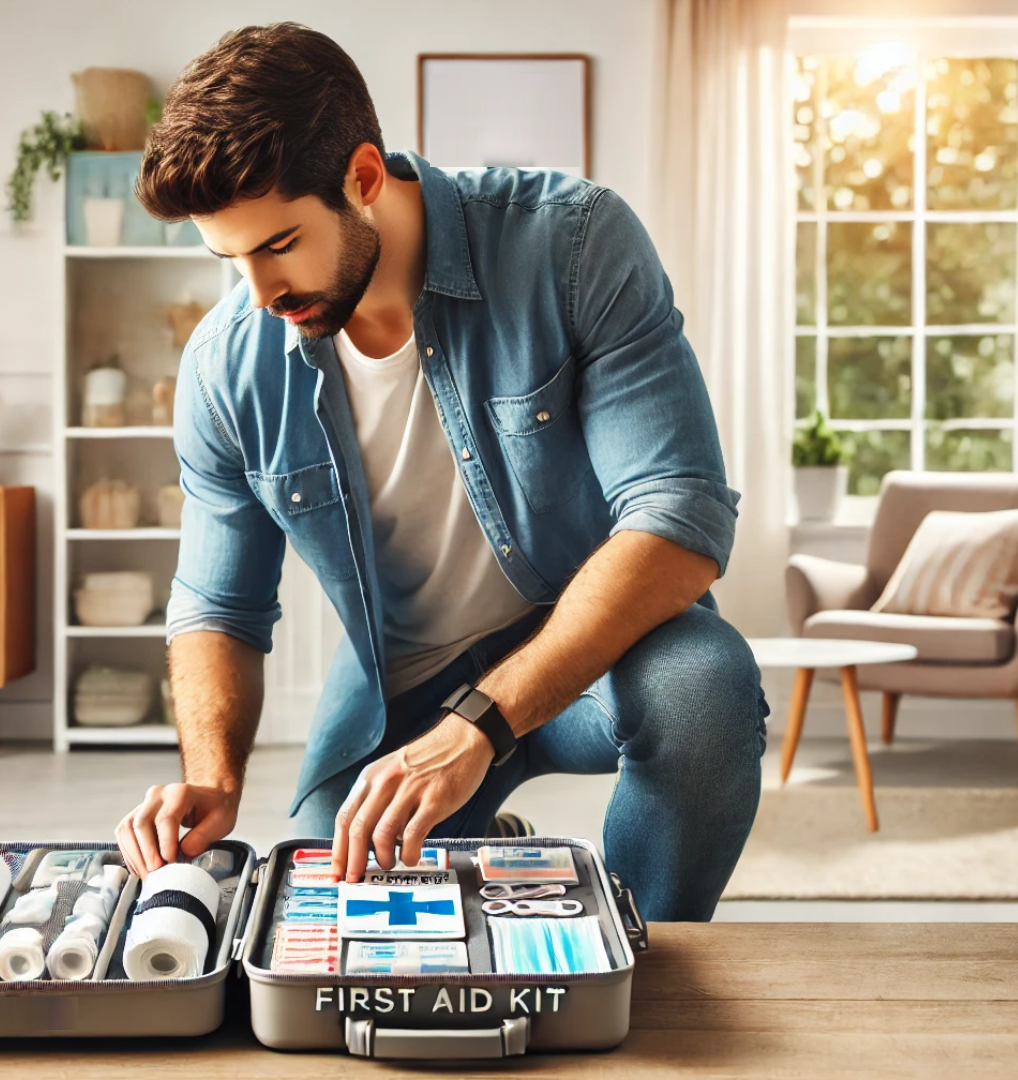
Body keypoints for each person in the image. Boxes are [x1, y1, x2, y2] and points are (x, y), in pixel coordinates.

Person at [113, 23, 765, 920]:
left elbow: (678, 516)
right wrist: (212, 778)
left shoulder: (571, 247)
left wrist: (483, 726)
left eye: (278, 246)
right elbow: (219, 605)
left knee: (705, 693)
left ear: (365, 177)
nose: (260, 296)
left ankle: (652, 959)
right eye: (231, 259)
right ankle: (484, 850)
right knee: (328, 900)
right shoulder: (226, 364)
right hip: (403, 686)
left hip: (596, 653)